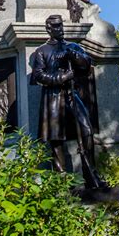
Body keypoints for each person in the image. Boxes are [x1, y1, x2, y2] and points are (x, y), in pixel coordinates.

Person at [31, 14, 106, 189]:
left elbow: (86, 64)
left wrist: (75, 55)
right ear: (49, 29)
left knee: (86, 129)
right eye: (56, 26)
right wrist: (63, 76)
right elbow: (38, 76)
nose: (61, 29)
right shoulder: (41, 51)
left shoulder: (71, 46)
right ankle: (61, 180)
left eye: (61, 25)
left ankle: (91, 173)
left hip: (72, 95)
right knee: (56, 140)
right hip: (53, 98)